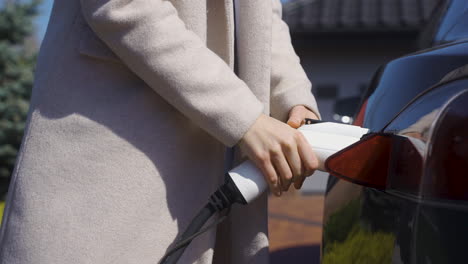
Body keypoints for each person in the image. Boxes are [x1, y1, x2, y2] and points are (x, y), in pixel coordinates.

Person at [0, 0, 320, 263]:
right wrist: (247, 120)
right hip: (104, 178)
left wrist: (293, 101)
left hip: (204, 192)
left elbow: (262, 15)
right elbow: (121, 5)